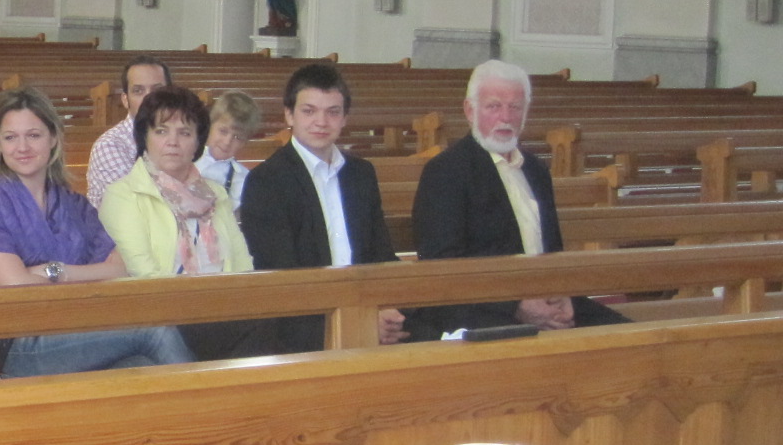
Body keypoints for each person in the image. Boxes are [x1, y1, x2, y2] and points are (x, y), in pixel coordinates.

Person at [0, 87, 190, 378]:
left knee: (144, 367)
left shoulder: (74, 204)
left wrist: (56, 271)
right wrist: (84, 274)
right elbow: (16, 286)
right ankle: (218, 403)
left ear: (53, 138)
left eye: (34, 135)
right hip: (22, 343)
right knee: (155, 329)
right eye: (10, 137)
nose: (22, 147)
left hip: (82, 327)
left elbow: (120, 267)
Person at [411, 60, 627, 337]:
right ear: (470, 110)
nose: (505, 117)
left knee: (633, 337)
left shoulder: (535, 170)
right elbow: (442, 266)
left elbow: (552, 250)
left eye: (515, 107)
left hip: (545, 297)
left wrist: (563, 296)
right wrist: (517, 306)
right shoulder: (446, 171)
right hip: (480, 308)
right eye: (493, 106)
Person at [237, 63, 405, 354]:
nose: (321, 122)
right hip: (302, 322)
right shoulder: (267, 181)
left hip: (365, 308)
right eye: (309, 111)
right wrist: (357, 322)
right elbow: (284, 276)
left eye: (332, 112)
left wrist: (386, 309)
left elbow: (381, 254)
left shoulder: (361, 174)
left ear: (344, 118)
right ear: (289, 115)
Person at [98, 85, 275, 361]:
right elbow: (144, 275)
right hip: (166, 315)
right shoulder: (123, 195)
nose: (173, 142)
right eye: (161, 131)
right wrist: (204, 305)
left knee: (273, 321)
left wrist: (236, 304)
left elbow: (242, 262)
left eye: (184, 133)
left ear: (197, 141)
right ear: (144, 136)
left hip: (224, 311)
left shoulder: (215, 193)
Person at [85, 56, 171, 207]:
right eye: (138, 91)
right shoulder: (110, 145)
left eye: (158, 90)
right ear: (125, 100)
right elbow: (135, 205)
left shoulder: (184, 138)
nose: (149, 98)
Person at [197, 89, 260, 200]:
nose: (227, 142)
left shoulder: (243, 180)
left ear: (244, 143)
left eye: (237, 137)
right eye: (223, 131)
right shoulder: (187, 160)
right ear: (210, 126)